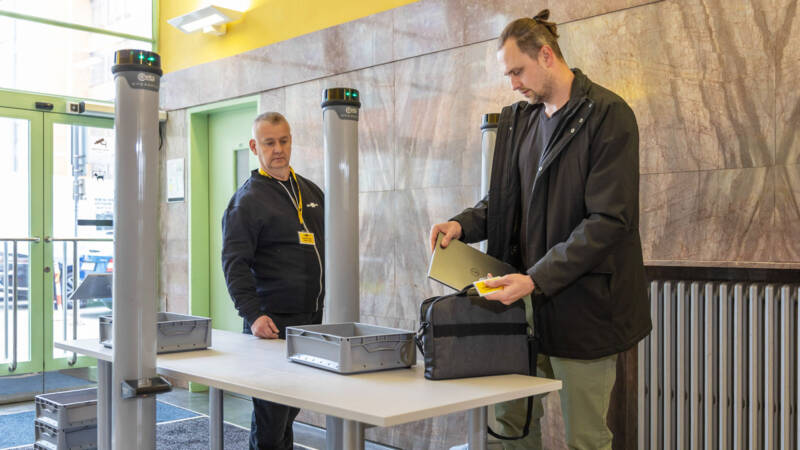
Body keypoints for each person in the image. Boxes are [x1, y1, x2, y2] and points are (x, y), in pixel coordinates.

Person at [429, 10, 651, 450]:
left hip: (584, 311)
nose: (513, 83)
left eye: (518, 71)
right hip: (518, 309)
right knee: (511, 428)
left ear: (546, 55)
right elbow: (502, 203)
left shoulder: (609, 114)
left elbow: (609, 221)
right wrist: (461, 224)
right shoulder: (519, 121)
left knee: (586, 439)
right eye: (508, 74)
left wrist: (535, 279)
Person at [221, 112, 324, 450]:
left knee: (291, 407)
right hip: (271, 322)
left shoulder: (311, 191)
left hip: (310, 319)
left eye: (283, 141)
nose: (278, 149)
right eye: (269, 143)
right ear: (255, 147)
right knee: (271, 417)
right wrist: (253, 315)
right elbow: (234, 264)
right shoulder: (247, 200)